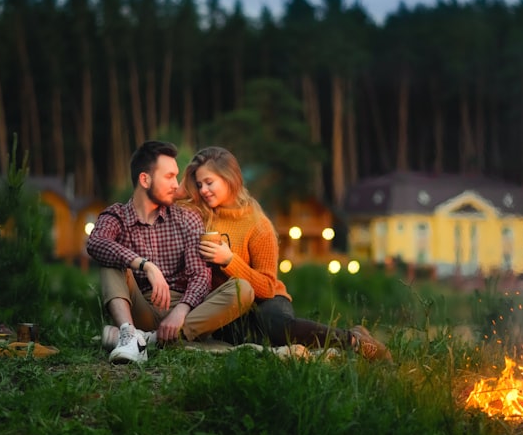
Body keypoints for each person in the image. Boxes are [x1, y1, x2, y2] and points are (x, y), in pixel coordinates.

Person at [180, 146, 392, 361]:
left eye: (209, 182)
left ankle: (354, 341)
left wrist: (229, 261)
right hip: (227, 305)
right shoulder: (199, 214)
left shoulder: (257, 225)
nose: (204, 190)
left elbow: (267, 287)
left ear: (230, 178)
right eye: (199, 185)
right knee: (241, 338)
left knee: (276, 328)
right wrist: (185, 184)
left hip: (266, 300)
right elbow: (171, 198)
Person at [86, 140, 254, 364]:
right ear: (145, 179)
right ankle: (129, 334)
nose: (176, 184)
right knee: (110, 259)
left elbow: (200, 275)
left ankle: (148, 340)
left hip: (188, 314)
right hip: (140, 308)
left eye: (176, 176)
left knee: (243, 289)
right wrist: (146, 265)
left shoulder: (186, 217)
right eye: (169, 176)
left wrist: (181, 311)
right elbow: (96, 242)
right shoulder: (116, 216)